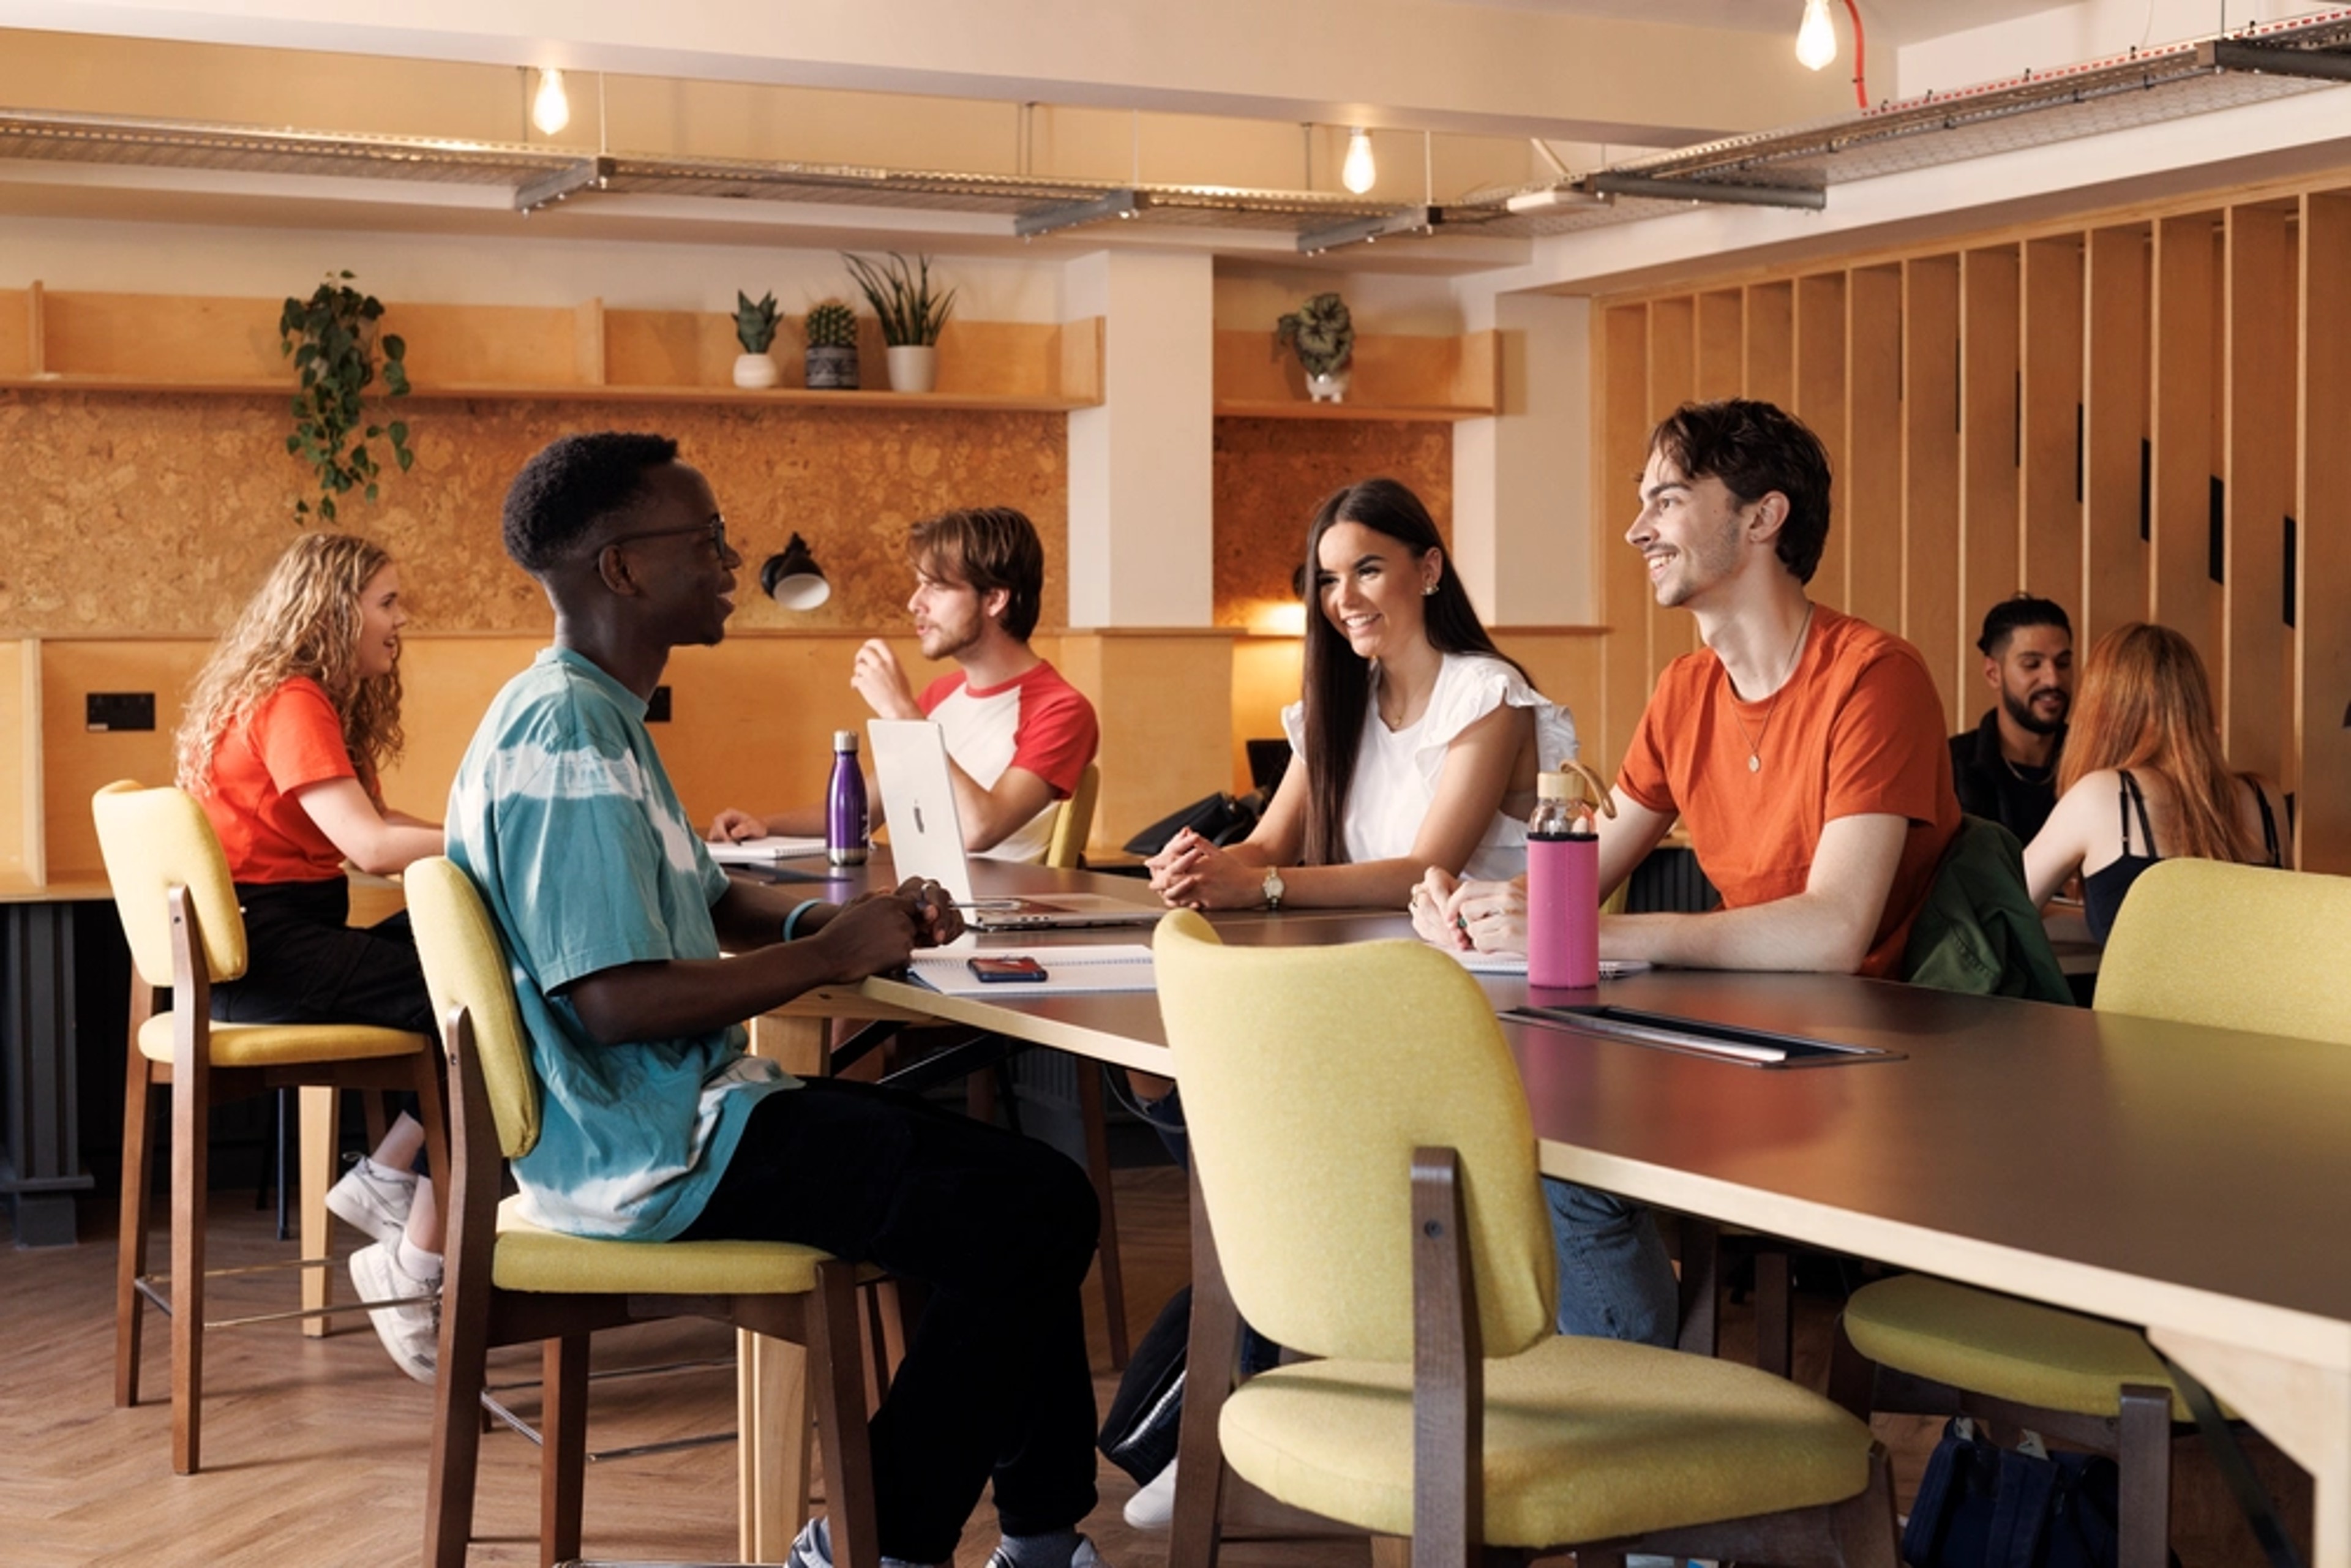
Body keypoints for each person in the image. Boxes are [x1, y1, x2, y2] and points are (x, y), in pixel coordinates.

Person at [446, 432, 1105, 1568]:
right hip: (650, 1145)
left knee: (1021, 1197)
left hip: (673, 1117)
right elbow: (612, 1000)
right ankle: (886, 1542)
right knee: (1034, 1207)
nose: (728, 561)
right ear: (621, 569)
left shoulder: (597, 712)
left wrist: (847, 924)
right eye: (705, 541)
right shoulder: (567, 734)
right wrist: (828, 957)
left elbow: (711, 898)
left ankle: (1040, 1540)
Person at [1417, 397, 1960, 980]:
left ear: (1762, 518)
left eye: (1667, 502)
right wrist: (1473, 912)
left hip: (1877, 1035)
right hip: (1740, 1015)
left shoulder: (1874, 677)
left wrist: (1573, 926)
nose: (1636, 532)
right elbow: (1571, 883)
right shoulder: (1684, 689)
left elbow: (1832, 934)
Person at [174, 531, 449, 1382]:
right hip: (276, 955)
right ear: (337, 610)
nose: (402, 619)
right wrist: (503, 834)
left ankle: (389, 1169)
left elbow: (373, 819)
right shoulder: (293, 699)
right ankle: (415, 1260)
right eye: (388, 602)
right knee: (495, 989)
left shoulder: (278, 694)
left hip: (265, 950)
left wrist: (464, 836)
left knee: (453, 937)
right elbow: (368, 845)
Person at [1145, 476, 1575, 912]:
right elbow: (1267, 846)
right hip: (1368, 960)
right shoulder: (1339, 703)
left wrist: (1262, 886)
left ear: (1429, 569)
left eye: (1367, 571)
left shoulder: (1487, 696)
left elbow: (1426, 871)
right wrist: (1196, 869)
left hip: (1478, 963)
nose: (1343, 599)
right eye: (1328, 580)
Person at [710, 506, 1098, 863]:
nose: (915, 603)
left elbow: (979, 830)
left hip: (994, 918)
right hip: (922, 903)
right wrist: (766, 825)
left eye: (937, 587)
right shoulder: (940, 696)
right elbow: (866, 810)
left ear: (994, 599)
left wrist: (902, 712)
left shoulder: (1061, 710)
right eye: (919, 584)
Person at [2020, 621, 2283, 940]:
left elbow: (2002, 908)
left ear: (2100, 710)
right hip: (2256, 991)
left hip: (2146, 992)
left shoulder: (2103, 795)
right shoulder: (2264, 797)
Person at [1950, 593, 2073, 842]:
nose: (2053, 679)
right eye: (2032, 664)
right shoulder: (1952, 767)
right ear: (1994, 674)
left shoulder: (2099, 761)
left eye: (2063, 663)